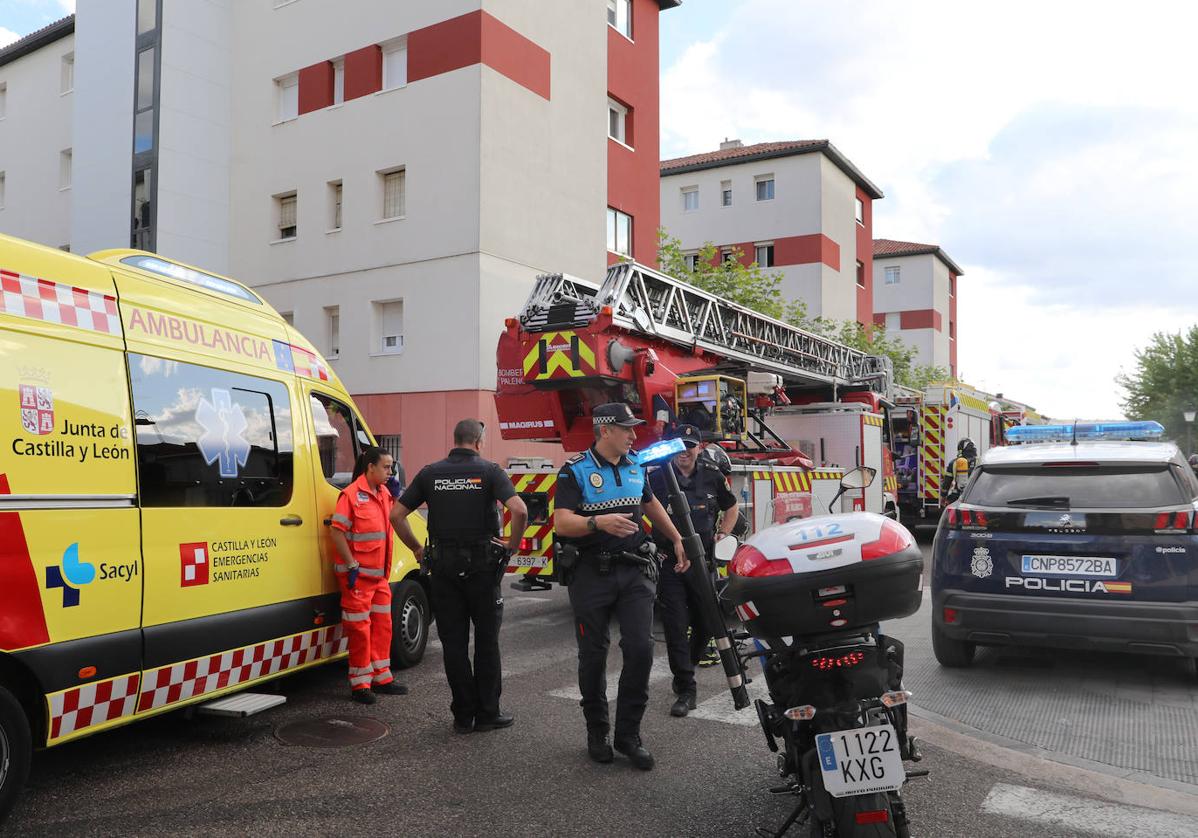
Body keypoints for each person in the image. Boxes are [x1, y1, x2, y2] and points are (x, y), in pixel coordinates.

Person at [553, 403, 689, 771]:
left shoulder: (634, 466)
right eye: (626, 429)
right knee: (594, 655)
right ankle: (597, 732)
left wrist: (675, 538)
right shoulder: (574, 471)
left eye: (633, 429)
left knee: (641, 650)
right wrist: (598, 524)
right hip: (590, 574)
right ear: (605, 431)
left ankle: (629, 735)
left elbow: (650, 502)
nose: (633, 436)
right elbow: (563, 523)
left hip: (635, 572)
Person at [391, 419, 527, 735]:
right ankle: (488, 713)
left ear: (456, 440)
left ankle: (463, 716)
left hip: (443, 570)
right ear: (478, 441)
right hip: (482, 570)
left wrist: (416, 548)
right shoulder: (490, 471)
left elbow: (396, 514)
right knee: (486, 642)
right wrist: (512, 544)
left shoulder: (430, 473)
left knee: (454, 644)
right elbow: (519, 510)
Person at [647, 425, 739, 717]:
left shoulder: (712, 475)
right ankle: (686, 687)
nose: (684, 451)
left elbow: (732, 507)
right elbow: (643, 511)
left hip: (703, 563)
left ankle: (689, 660)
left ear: (700, 447)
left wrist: (724, 533)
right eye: (679, 446)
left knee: (707, 622)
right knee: (675, 625)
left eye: (690, 445)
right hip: (670, 562)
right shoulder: (657, 478)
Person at [328, 446, 409, 704]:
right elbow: (336, 532)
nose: (390, 472)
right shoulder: (350, 495)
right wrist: (351, 564)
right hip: (358, 579)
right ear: (370, 467)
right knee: (360, 631)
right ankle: (360, 683)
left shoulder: (384, 493)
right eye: (386, 467)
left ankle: (381, 677)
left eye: (391, 467)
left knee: (383, 628)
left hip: (379, 579)